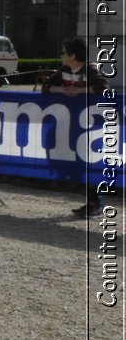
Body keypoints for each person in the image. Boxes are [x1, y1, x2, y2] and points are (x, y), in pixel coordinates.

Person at [44, 36, 108, 217]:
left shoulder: (91, 69)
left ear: (72, 55)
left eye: (64, 53)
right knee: (79, 163)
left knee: (91, 163)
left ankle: (96, 204)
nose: (61, 56)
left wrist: (79, 91)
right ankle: (91, 202)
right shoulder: (64, 70)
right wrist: (62, 90)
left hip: (92, 126)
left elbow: (103, 87)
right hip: (72, 125)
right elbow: (47, 86)